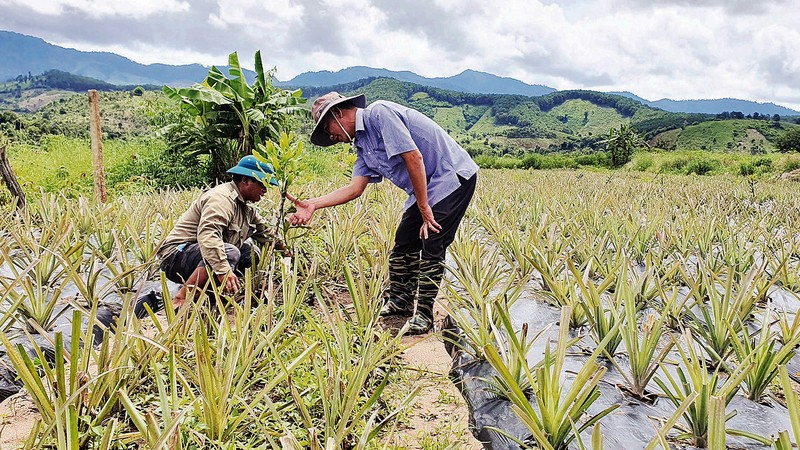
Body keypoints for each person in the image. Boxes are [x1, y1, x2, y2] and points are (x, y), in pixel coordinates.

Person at [288, 92, 479, 334]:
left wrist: (423, 207)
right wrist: (313, 204)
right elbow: (354, 189)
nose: (331, 137)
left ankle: (424, 315)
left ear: (337, 113)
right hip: (424, 188)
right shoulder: (362, 146)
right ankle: (400, 302)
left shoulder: (380, 113)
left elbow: (413, 157)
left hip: (451, 176)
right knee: (404, 243)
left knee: (431, 238)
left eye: (328, 129)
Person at [158, 155, 281, 308]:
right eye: (262, 184)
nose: (265, 190)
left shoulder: (245, 206)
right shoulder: (221, 199)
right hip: (175, 255)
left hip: (200, 256)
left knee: (250, 253)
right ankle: (182, 297)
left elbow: (265, 233)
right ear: (245, 180)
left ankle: (215, 293)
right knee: (229, 252)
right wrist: (223, 270)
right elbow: (208, 236)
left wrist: (286, 251)